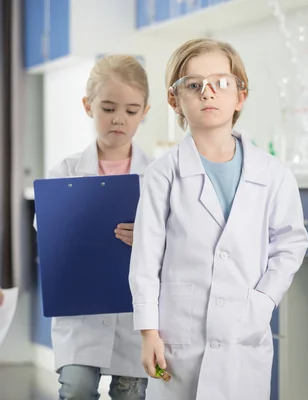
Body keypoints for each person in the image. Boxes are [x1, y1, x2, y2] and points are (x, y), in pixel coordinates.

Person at [128, 38, 308, 399]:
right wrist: (148, 330)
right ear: (174, 99)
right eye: (193, 85)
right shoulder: (163, 173)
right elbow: (146, 257)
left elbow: (291, 243)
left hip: (244, 332)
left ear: (240, 96)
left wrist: (264, 299)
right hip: (179, 335)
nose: (207, 92)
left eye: (221, 83)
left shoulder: (273, 174)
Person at [44, 54, 153, 400]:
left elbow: (179, 240)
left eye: (131, 111)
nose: (119, 119)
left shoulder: (158, 176)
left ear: (145, 113)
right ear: (87, 106)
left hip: (135, 317)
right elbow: (47, 231)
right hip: (81, 317)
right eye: (108, 108)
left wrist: (150, 238)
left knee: (131, 393)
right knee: (76, 389)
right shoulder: (65, 171)